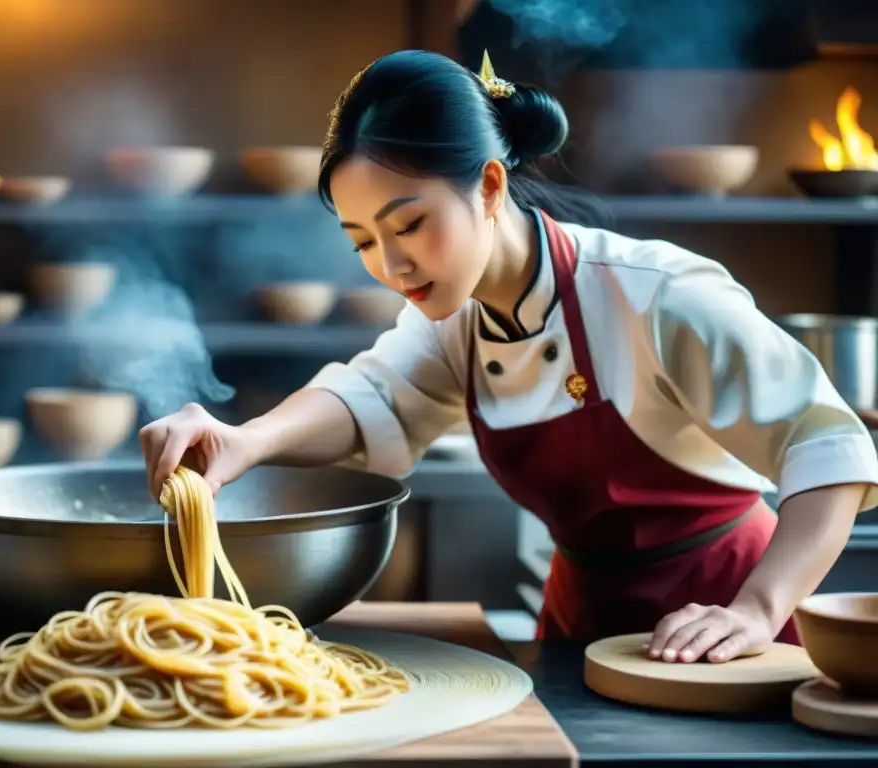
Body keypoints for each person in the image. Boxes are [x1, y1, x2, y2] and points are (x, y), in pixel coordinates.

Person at [140, 49, 878, 664]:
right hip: (579, 623)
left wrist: (756, 608)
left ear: (489, 186)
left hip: (726, 626)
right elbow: (371, 399)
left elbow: (830, 446)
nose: (391, 265)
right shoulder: (453, 319)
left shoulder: (655, 294)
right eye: (364, 241)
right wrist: (245, 441)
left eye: (411, 223)